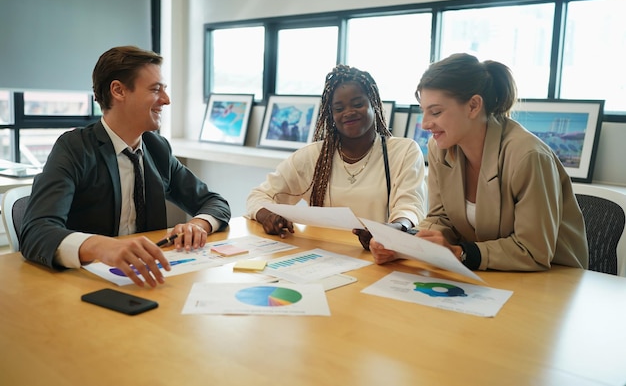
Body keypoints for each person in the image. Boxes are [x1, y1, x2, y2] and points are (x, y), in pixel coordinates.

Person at [20, 46, 231, 287]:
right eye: (155, 89)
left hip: (147, 280)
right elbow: (36, 232)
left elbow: (215, 203)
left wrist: (197, 225)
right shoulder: (75, 148)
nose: (166, 100)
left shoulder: (157, 148)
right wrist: (102, 246)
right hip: (84, 284)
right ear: (118, 91)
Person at [370, 53, 588, 271]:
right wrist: (405, 244)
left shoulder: (527, 156)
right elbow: (441, 218)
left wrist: (460, 252)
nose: (426, 124)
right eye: (423, 112)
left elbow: (533, 251)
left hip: (553, 280)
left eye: (435, 112)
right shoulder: (441, 148)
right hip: (492, 275)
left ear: (473, 106)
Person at [246, 65, 427, 248]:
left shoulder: (404, 151)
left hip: (380, 255)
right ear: (331, 115)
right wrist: (268, 216)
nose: (348, 112)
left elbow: (410, 208)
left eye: (357, 104)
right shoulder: (313, 156)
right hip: (322, 257)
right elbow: (259, 196)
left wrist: (390, 230)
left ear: (374, 104)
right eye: (339, 108)